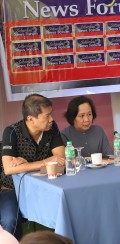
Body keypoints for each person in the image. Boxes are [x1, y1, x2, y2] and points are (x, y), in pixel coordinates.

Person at [1, 94, 65, 238]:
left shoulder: (52, 128)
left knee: (66, 211)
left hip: (46, 187)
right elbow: (9, 169)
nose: (52, 119)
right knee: (10, 220)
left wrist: (26, 164)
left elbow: (61, 160)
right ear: (30, 118)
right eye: (47, 115)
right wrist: (45, 162)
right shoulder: (11, 132)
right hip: (12, 189)